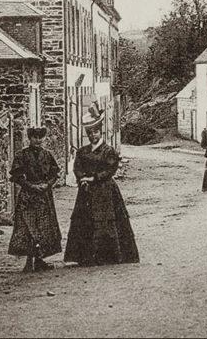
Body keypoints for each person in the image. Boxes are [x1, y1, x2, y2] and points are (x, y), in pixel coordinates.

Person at [64, 111, 139, 266]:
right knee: (85, 221)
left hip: (105, 191)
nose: (93, 136)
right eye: (90, 133)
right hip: (86, 192)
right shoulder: (82, 151)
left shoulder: (108, 151)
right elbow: (77, 168)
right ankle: (85, 257)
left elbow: (111, 169)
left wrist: (94, 178)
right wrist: (82, 178)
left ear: (100, 132)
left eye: (96, 132)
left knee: (107, 221)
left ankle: (109, 256)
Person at [7, 127, 62, 272]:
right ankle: (28, 261)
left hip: (44, 197)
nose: (38, 140)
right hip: (28, 197)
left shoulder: (48, 155)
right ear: (29, 138)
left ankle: (39, 259)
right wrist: (30, 186)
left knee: (43, 227)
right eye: (35, 137)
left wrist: (47, 185)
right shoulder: (22, 155)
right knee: (28, 227)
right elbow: (17, 176)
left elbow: (55, 174)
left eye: (41, 137)